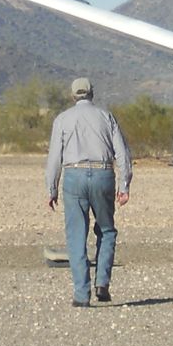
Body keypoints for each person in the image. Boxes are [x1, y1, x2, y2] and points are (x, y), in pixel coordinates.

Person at [45, 78, 132, 307]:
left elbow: (54, 157)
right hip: (103, 174)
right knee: (107, 230)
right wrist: (124, 185)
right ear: (92, 93)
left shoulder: (62, 119)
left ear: (73, 95)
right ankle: (102, 282)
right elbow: (122, 154)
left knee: (76, 236)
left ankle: (82, 294)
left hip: (73, 175)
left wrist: (51, 188)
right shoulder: (106, 117)